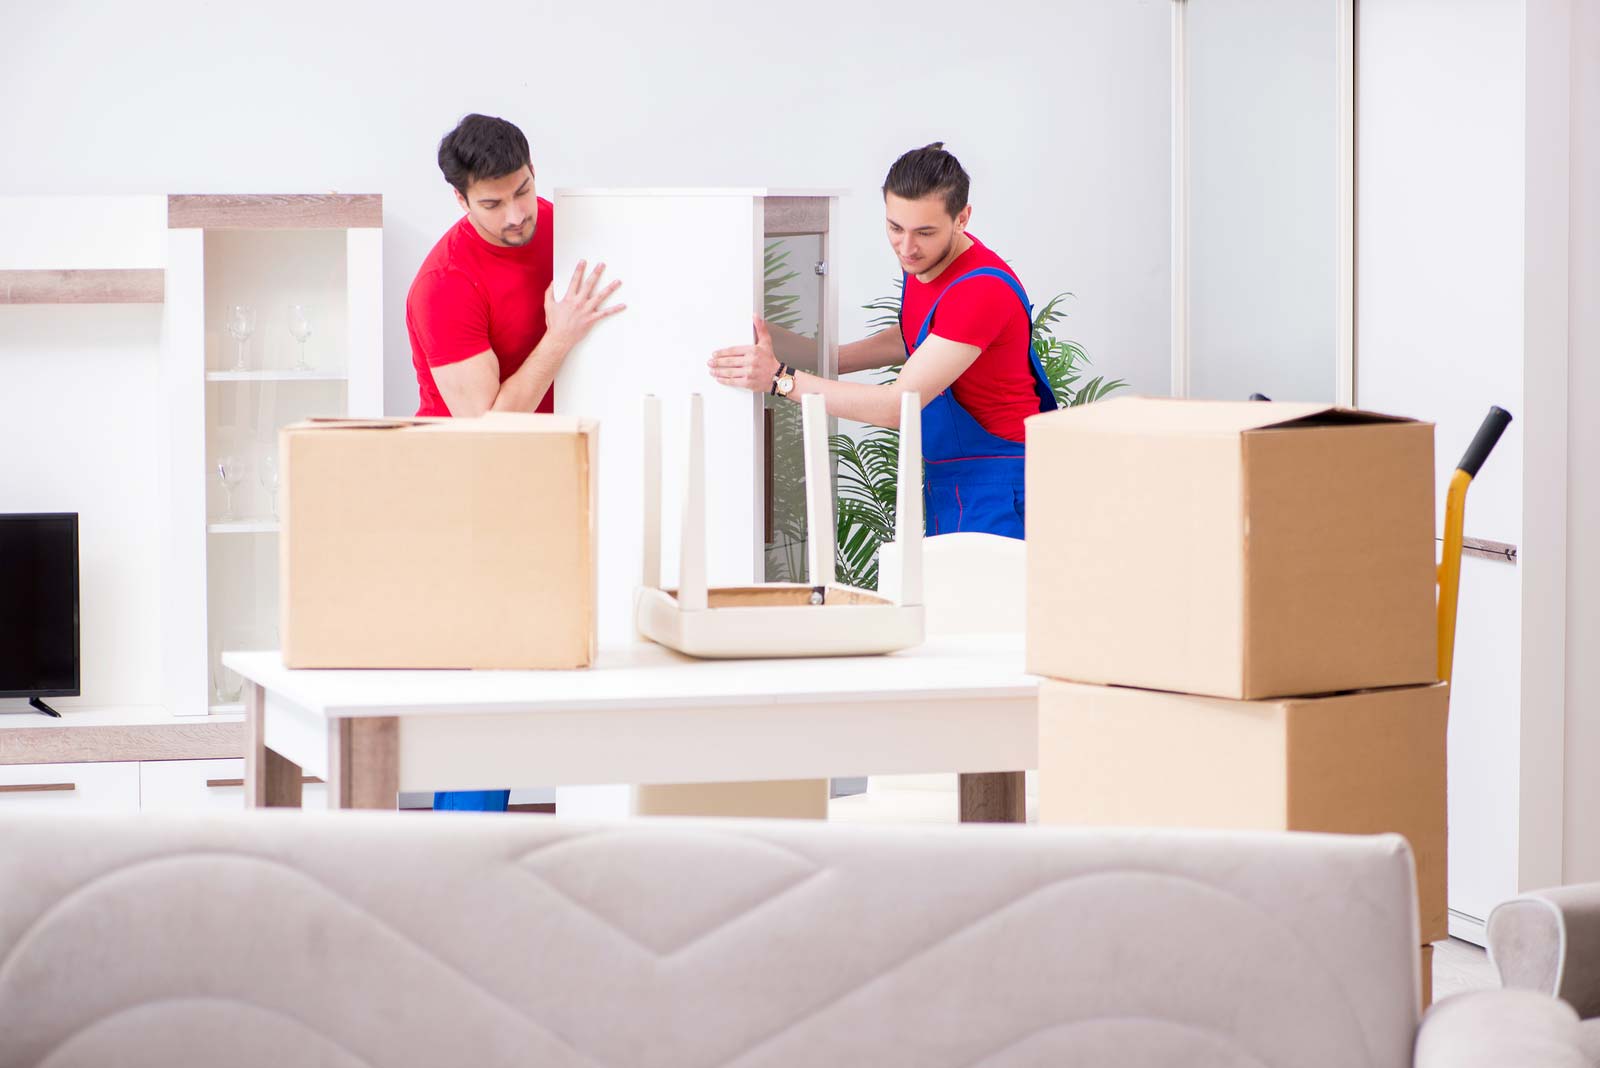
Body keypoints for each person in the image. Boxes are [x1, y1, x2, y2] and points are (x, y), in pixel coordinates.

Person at [406, 113, 624, 810]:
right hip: (477, 494)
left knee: (601, 662)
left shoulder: (570, 230)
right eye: (491, 204)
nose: (515, 216)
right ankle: (461, 861)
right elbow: (490, 425)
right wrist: (559, 339)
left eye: (522, 192)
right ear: (461, 201)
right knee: (489, 687)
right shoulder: (444, 283)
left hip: (567, 482)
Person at [709, 142, 1056, 539]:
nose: (906, 248)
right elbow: (921, 336)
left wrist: (779, 379)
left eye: (924, 232)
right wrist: (827, 357)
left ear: (962, 218)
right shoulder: (927, 260)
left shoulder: (979, 291)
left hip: (1003, 485)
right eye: (895, 228)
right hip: (954, 479)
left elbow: (898, 407)